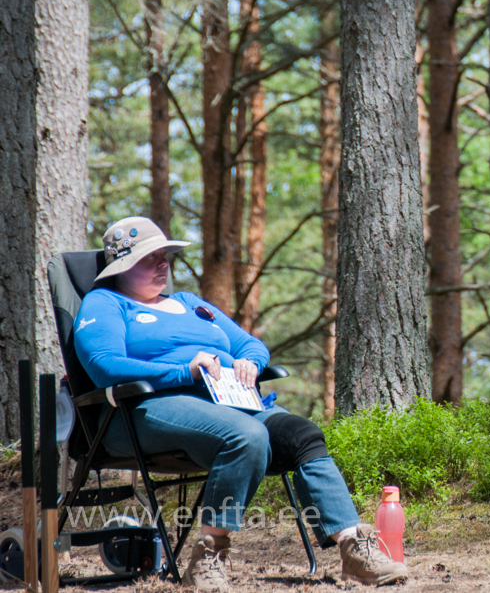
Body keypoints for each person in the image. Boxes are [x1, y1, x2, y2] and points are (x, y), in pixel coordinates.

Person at [73, 216, 407, 591]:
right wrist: (185, 370)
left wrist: (250, 362)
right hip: (144, 411)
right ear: (121, 266)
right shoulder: (104, 303)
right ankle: (207, 559)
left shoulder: (189, 304)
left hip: (230, 401)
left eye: (165, 255)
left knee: (302, 435)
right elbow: (105, 366)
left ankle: (354, 549)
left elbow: (250, 344)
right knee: (246, 436)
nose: (163, 263)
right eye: (151, 258)